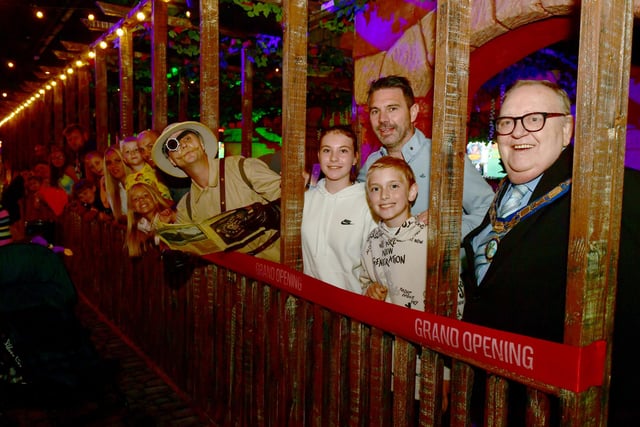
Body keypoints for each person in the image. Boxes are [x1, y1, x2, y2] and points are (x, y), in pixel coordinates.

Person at [460, 79, 640, 425]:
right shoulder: (506, 194)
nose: (517, 132)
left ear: (567, 128)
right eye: (508, 122)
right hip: (494, 394)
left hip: (557, 406)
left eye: (535, 118)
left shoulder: (611, 191)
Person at [360, 156, 460, 412]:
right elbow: (366, 282)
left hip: (427, 363)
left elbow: (455, 304)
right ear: (368, 196)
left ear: (412, 191)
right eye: (375, 188)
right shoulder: (370, 242)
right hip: (385, 362)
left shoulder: (431, 240)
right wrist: (369, 290)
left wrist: (446, 373)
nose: (384, 195)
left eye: (394, 186)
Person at [357, 75, 494, 239]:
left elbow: (489, 210)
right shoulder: (371, 163)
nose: (382, 119)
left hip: (436, 264)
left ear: (413, 112)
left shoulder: (444, 157)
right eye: (375, 111)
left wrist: (445, 230)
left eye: (392, 109)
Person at [151, 121, 281, 262]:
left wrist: (272, 212)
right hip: (238, 279)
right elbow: (182, 245)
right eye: (172, 145)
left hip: (281, 266)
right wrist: (177, 253)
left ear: (201, 143)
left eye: (187, 137)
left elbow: (293, 200)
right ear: (172, 161)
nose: (182, 145)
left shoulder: (242, 168)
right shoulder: (186, 208)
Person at [301, 125, 377, 293]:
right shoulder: (305, 200)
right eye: (327, 151)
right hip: (309, 305)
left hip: (351, 306)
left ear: (355, 158)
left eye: (343, 151)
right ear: (319, 156)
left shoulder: (368, 204)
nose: (334, 158)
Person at [137, 129, 190, 202]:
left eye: (150, 146)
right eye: (142, 150)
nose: (146, 154)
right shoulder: (156, 172)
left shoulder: (179, 169)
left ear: (162, 144)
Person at [125, 182, 176, 257]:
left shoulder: (167, 215)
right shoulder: (142, 224)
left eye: (145, 195)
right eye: (135, 199)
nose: (141, 199)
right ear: (133, 208)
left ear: (154, 198)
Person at [120, 136, 172, 202]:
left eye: (136, 149)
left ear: (142, 152)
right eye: (127, 151)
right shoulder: (128, 181)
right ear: (124, 159)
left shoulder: (154, 170)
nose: (132, 153)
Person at [103, 145, 130, 223]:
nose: (113, 166)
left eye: (117, 161)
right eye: (109, 163)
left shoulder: (140, 183)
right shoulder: (112, 191)